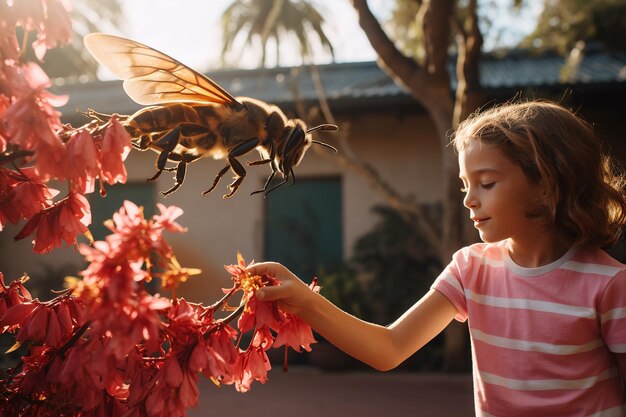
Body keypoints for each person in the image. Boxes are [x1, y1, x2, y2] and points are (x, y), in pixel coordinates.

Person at [248, 100, 626, 417]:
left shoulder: (610, 285)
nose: (469, 199)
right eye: (465, 185)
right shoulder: (470, 269)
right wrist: (303, 300)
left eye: (487, 183)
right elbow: (389, 349)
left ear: (546, 185)